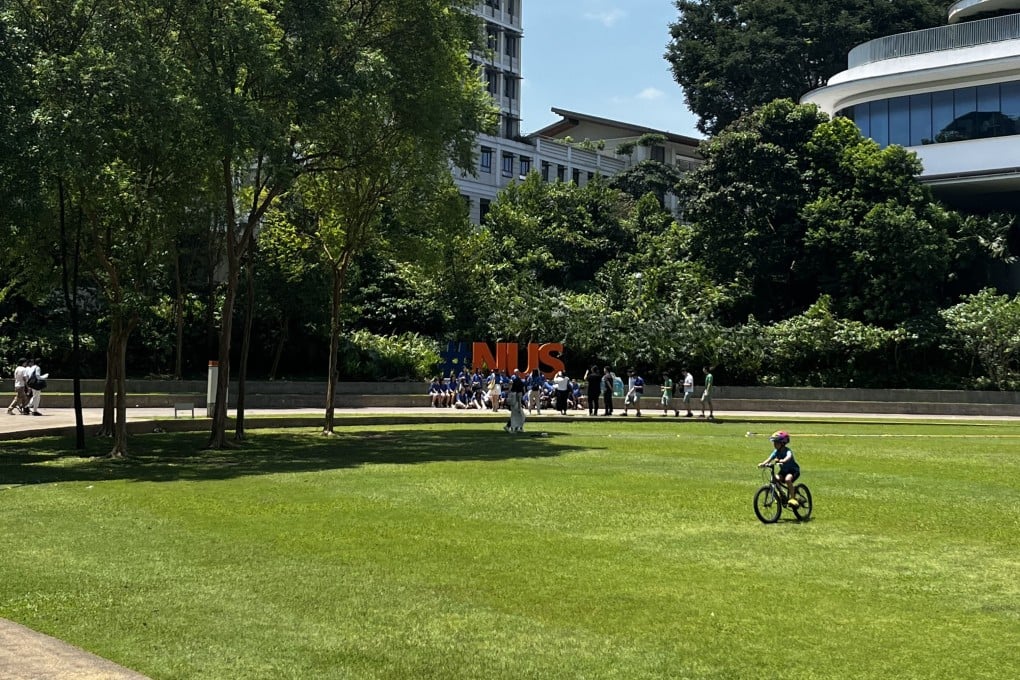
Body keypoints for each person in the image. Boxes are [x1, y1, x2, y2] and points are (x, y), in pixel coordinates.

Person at [758, 431, 801, 506]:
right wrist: (763, 464)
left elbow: (789, 456)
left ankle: (793, 498)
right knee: (775, 478)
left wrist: (784, 460)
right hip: (784, 471)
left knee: (787, 479)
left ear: (783, 443)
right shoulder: (776, 452)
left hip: (793, 470)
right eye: (774, 442)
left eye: (776, 443)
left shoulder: (787, 451)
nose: (774, 444)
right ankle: (781, 494)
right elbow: (769, 459)